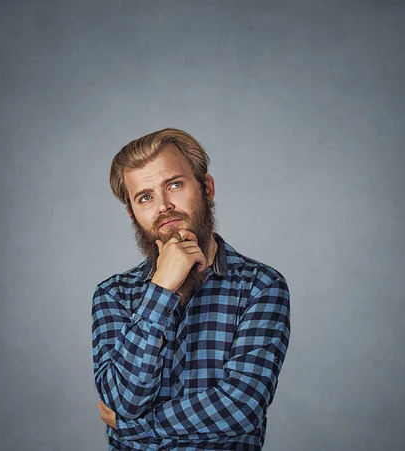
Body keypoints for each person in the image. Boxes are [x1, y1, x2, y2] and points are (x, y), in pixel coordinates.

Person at [92, 128, 290, 450]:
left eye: (174, 184)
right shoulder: (112, 295)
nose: (164, 206)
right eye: (145, 197)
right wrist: (161, 289)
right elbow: (123, 398)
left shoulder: (261, 286)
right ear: (132, 213)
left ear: (207, 187)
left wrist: (134, 426)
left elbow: (240, 409)